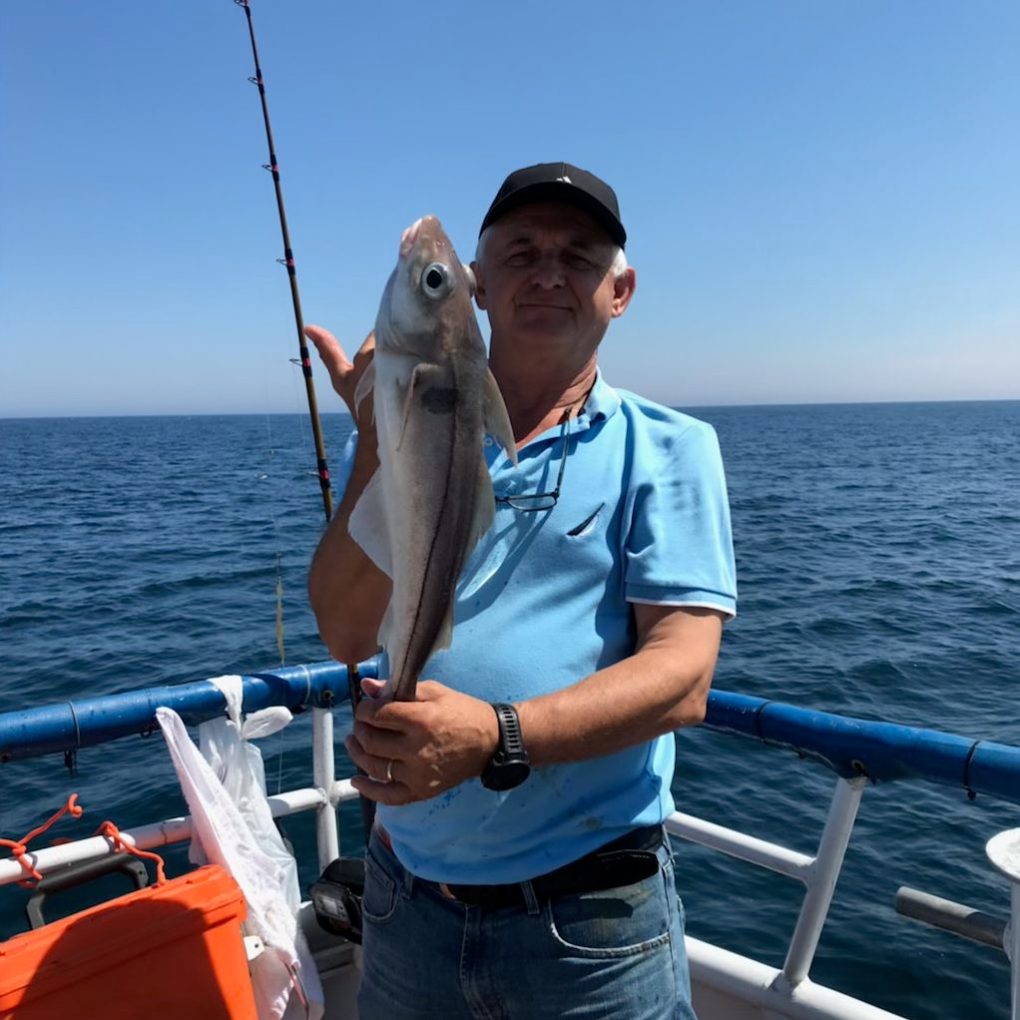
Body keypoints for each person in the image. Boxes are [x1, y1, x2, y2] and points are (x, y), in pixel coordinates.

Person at [306, 162, 737, 1020]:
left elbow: (685, 674)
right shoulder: (388, 429)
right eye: (522, 250)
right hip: (405, 903)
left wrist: (496, 737)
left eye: (579, 256)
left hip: (592, 930)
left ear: (622, 290)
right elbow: (347, 634)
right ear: (477, 282)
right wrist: (382, 442)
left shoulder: (671, 448)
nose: (548, 271)